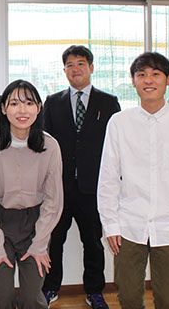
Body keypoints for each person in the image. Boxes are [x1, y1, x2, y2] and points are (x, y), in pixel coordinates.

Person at [97, 52, 169, 309]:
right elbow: (108, 177)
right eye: (141, 74)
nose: (148, 80)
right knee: (128, 298)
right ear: (133, 81)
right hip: (128, 225)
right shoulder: (119, 122)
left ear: (168, 80)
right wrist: (110, 224)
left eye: (156, 74)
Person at [42, 45, 120, 309]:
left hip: (93, 188)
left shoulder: (108, 103)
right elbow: (44, 144)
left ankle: (95, 292)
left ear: (91, 68)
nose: (75, 69)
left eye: (81, 64)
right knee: (54, 241)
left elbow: (115, 146)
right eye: (70, 65)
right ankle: (50, 288)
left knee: (93, 242)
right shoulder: (53, 102)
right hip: (60, 188)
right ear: (64, 70)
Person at [0, 79, 63, 309]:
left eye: (29, 103)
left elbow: (54, 200)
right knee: (0, 294)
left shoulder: (50, 146)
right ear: (4, 109)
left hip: (36, 222)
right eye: (14, 103)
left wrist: (40, 243)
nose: (22, 110)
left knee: (32, 296)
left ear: (39, 108)